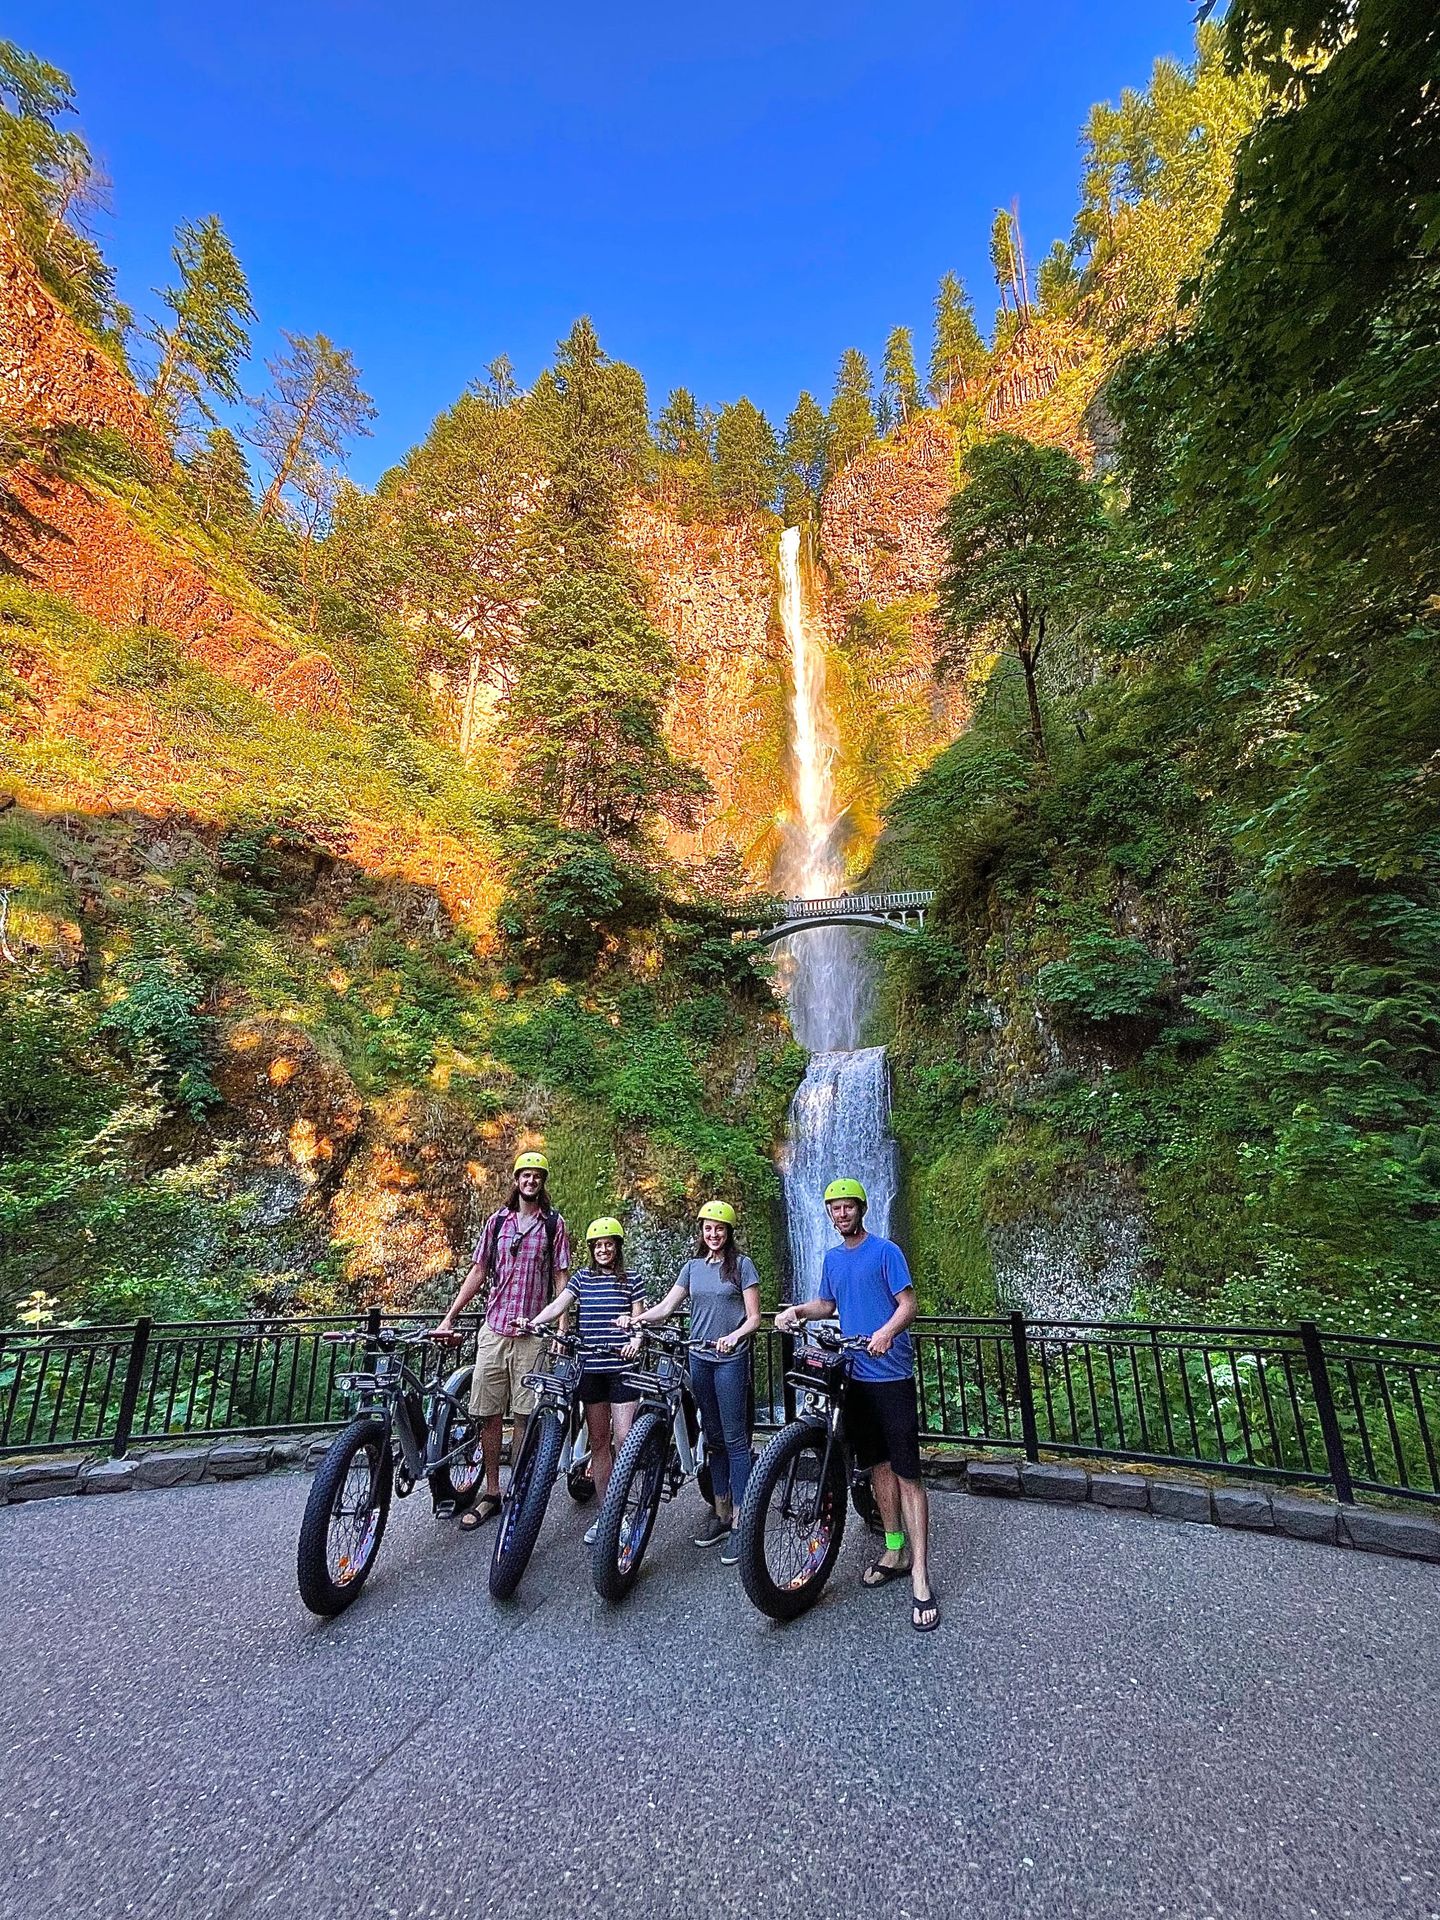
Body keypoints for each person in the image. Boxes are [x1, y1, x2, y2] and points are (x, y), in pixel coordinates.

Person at [774, 1177, 939, 1633]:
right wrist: (797, 1311)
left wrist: (886, 1331)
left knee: (908, 1474)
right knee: (879, 1467)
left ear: (861, 1209)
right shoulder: (831, 1259)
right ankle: (894, 1549)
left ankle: (921, 1574)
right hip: (855, 1377)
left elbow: (908, 1304)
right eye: (835, 1207)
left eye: (848, 1206)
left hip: (892, 1376)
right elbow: (828, 1304)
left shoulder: (886, 1252)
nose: (841, 1213)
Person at [434, 1149, 570, 1529]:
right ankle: (492, 1492)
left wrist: (561, 1329)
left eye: (537, 1176)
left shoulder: (553, 1225)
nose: (530, 1180)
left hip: (532, 1334)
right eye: (525, 1175)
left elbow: (561, 1279)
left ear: (542, 1182)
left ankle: (517, 1489)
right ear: (516, 1179)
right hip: (494, 1329)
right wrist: (449, 1316)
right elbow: (478, 1272)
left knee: (525, 1415)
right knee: (488, 1414)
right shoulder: (497, 1223)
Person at [626, 1200, 762, 1565]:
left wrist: (734, 1336)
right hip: (699, 1358)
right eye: (708, 1228)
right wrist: (637, 1321)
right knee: (713, 1439)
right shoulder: (691, 1268)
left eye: (719, 1228)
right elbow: (666, 1307)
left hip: (730, 1360)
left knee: (735, 1440)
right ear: (701, 1231)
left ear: (728, 1232)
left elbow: (754, 1318)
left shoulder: (742, 1266)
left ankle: (742, 1521)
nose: (713, 1233)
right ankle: (721, 1512)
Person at [526, 1216, 644, 1545]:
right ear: (592, 1250)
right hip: (590, 1368)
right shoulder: (581, 1279)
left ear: (617, 1247)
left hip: (622, 1368)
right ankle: (608, 1515)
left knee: (624, 1440)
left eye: (609, 1244)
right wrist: (533, 1322)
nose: (603, 1250)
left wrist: (636, 1340)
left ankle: (623, 1508)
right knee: (599, 1443)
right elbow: (558, 1305)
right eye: (598, 1246)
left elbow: (639, 1318)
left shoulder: (632, 1279)